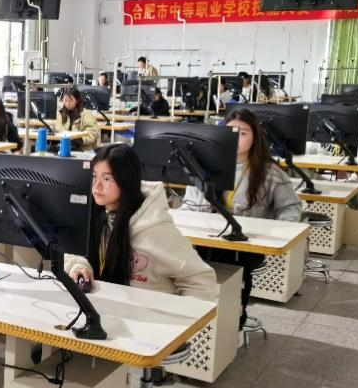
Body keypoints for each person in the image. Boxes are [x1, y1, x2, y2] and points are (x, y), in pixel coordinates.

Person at [180, 108, 302, 326]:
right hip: (206, 241)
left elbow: (291, 207)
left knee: (231, 274)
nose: (236, 137)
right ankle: (200, 323)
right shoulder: (204, 168)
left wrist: (279, 235)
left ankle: (232, 321)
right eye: (231, 132)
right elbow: (189, 206)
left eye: (243, 133)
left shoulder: (269, 172)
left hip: (246, 246)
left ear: (255, 137)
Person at [66, 144, 217, 302]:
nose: (97, 185)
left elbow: (201, 280)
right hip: (106, 308)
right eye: (94, 176)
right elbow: (69, 251)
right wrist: (78, 266)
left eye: (106, 178)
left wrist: (179, 316)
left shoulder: (154, 228)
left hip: (147, 313)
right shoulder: (92, 213)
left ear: (126, 180)